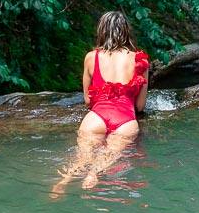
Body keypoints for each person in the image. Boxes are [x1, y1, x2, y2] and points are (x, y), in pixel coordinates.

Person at [50, 11, 149, 196]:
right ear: (126, 31)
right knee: (109, 154)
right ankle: (93, 175)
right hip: (125, 120)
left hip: (96, 117)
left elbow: (88, 99)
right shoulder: (140, 60)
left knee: (82, 156)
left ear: (102, 31)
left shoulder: (91, 57)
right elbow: (140, 106)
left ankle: (65, 180)